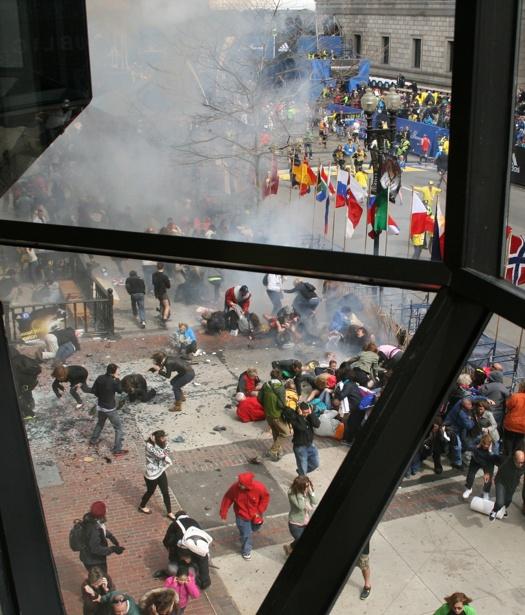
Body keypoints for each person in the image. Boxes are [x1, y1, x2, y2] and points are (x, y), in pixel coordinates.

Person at [220, 472, 270, 560]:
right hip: (241, 516)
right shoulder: (235, 488)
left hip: (256, 515)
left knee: (254, 528)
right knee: (247, 534)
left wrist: (260, 510)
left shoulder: (259, 487)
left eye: (241, 484)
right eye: (239, 483)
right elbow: (227, 499)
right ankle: (246, 551)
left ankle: (243, 535)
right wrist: (223, 513)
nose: (239, 485)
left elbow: (265, 498)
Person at [162, 510, 211, 589]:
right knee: (203, 560)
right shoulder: (193, 521)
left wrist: (172, 548)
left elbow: (166, 541)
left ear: (176, 518)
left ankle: (184, 576)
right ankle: (205, 582)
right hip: (199, 546)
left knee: (180, 561)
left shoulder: (175, 524)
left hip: (184, 548)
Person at [89, 364, 128, 458]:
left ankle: (93, 440)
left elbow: (94, 390)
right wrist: (118, 379)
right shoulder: (114, 382)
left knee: (100, 423)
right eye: (118, 371)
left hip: (100, 406)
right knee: (118, 428)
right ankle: (117, 450)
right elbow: (120, 390)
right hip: (110, 408)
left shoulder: (99, 378)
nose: (119, 372)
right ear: (113, 372)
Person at [79, 501, 125, 575]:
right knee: (101, 578)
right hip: (94, 561)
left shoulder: (92, 519)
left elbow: (101, 530)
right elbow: (95, 549)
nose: (106, 509)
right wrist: (112, 549)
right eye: (105, 508)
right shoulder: (94, 530)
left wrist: (110, 536)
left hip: (89, 557)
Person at [138, 430, 174, 519]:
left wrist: (164, 447)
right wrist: (161, 448)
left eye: (164, 437)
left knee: (165, 492)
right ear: (156, 439)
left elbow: (167, 449)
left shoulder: (162, 444)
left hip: (160, 471)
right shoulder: (149, 446)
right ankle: (142, 506)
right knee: (150, 491)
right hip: (151, 475)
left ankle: (169, 512)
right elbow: (161, 454)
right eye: (162, 438)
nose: (164, 439)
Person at [258, 369, 291, 461]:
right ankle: (273, 450)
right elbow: (281, 404)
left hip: (268, 414)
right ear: (280, 377)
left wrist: (267, 406)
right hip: (277, 414)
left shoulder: (266, 385)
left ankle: (278, 452)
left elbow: (259, 398)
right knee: (285, 433)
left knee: (275, 432)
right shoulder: (280, 387)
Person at [282, 401, 320, 476]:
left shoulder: (309, 415)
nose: (306, 414)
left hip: (310, 445)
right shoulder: (294, 417)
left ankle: (301, 473)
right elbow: (302, 428)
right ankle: (302, 478)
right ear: (299, 410)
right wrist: (300, 416)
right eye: (304, 413)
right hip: (300, 447)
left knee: (315, 464)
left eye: (307, 412)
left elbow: (317, 424)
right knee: (303, 470)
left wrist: (311, 413)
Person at [284, 475, 317, 555]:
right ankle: (291, 548)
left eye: (308, 485)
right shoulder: (292, 493)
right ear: (299, 487)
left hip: (306, 521)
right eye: (305, 486)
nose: (307, 488)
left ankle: (290, 547)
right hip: (295, 524)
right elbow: (300, 507)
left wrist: (311, 492)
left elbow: (314, 502)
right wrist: (301, 493)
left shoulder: (307, 490)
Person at [489, 449, 525, 521]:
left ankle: (503, 509)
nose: (521, 465)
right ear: (514, 459)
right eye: (519, 462)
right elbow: (491, 458)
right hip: (501, 482)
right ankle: (494, 511)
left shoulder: (523, 464)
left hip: (512, 484)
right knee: (500, 502)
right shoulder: (505, 460)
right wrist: (488, 473)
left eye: (522, 462)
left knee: (508, 500)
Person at [462, 434, 499, 500]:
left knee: (487, 478)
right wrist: (477, 446)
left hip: (488, 462)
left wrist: (490, 452)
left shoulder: (494, 445)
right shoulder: (478, 440)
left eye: (487, 445)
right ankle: (468, 488)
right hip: (476, 460)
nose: (485, 446)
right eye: (484, 444)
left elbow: (496, 458)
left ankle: (486, 492)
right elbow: (468, 447)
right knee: (470, 475)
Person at [502, 381, 525, 454]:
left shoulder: (516, 396)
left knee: (508, 448)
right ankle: (515, 462)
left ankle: (506, 462)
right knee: (518, 448)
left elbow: (508, 406)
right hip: (523, 428)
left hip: (511, 426)